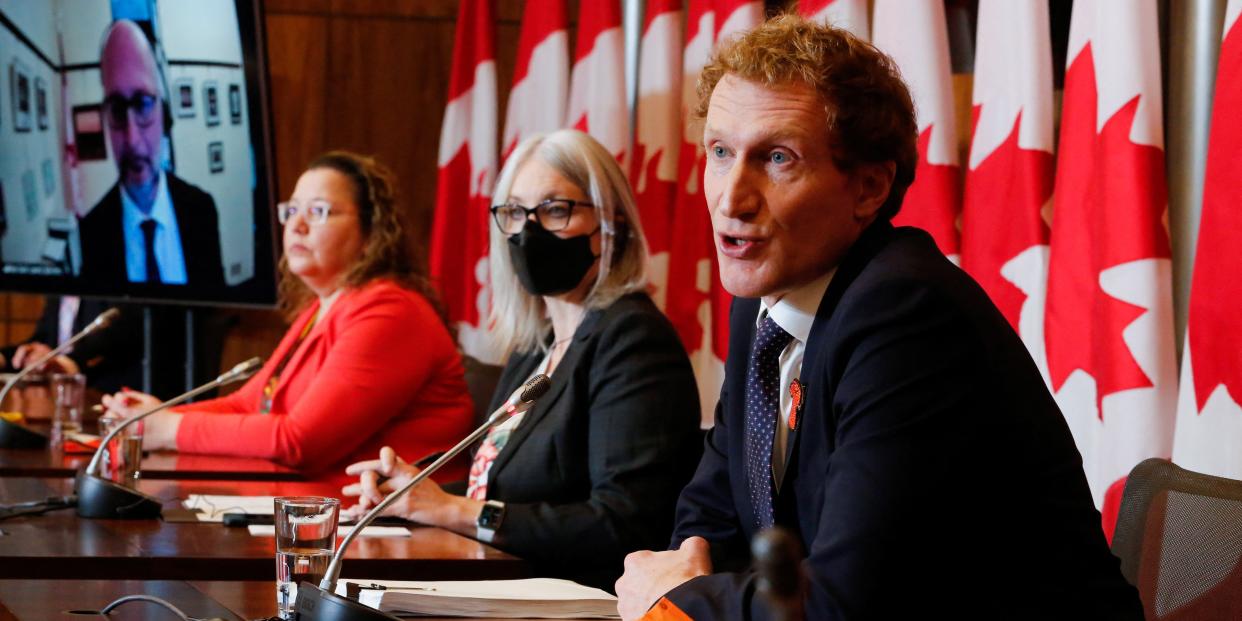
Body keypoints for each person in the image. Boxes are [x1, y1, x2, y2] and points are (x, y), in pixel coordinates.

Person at [614, 15, 1143, 619]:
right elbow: (707, 525)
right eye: (719, 152)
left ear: (868, 188)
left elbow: (843, 602)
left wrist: (676, 596)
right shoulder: (765, 306)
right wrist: (696, 582)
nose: (731, 198)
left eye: (777, 158)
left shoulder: (905, 316)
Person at [342, 130, 703, 591]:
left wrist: (450, 509)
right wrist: (411, 496)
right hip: (503, 588)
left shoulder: (632, 339)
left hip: (581, 603)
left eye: (556, 209)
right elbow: (504, 499)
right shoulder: (539, 346)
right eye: (514, 212)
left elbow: (623, 524)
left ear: (611, 221)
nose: (529, 231)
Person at [101, 151, 474, 484]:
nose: (296, 226)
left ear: (371, 230)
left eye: (319, 211)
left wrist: (167, 428)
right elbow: (247, 404)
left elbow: (301, 441)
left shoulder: (391, 312)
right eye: (292, 210)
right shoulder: (323, 306)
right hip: (321, 512)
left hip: (395, 534)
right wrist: (152, 416)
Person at [78, 19, 224, 289]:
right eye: (117, 109)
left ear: (164, 114)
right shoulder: (91, 232)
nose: (132, 139)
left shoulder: (201, 210)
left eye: (143, 104)